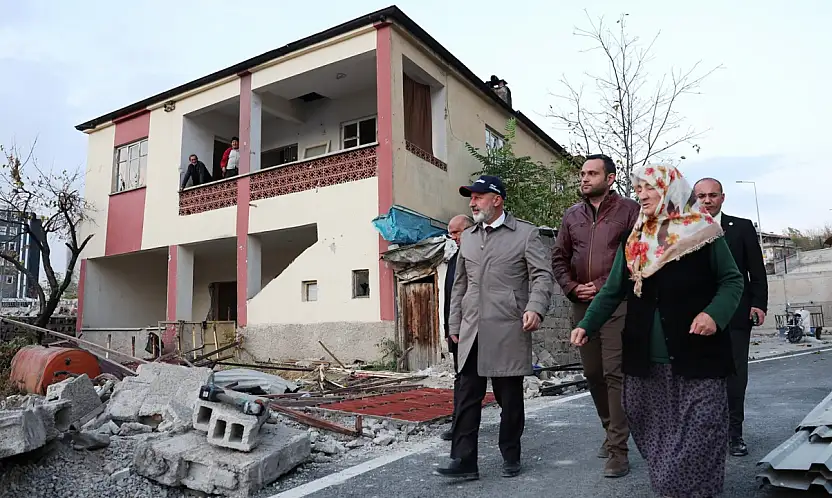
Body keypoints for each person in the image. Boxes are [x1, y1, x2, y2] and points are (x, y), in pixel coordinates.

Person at [570, 164, 744, 498]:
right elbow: (612, 290)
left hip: (698, 357)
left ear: (670, 190)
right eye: (639, 189)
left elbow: (731, 281)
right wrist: (587, 324)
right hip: (645, 364)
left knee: (702, 431)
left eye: (650, 188)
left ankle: (694, 491)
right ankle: (675, 488)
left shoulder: (702, 231)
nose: (642, 195)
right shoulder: (636, 238)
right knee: (655, 434)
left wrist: (713, 314)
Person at [436, 175, 553, 480]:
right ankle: (464, 462)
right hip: (472, 329)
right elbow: (460, 283)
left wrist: (535, 308)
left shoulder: (525, 234)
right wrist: (454, 322)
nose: (472, 202)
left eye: (478, 197)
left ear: (497, 199)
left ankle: (510, 453)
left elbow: (541, 276)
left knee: (509, 398)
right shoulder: (470, 237)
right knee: (466, 396)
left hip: (508, 327)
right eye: (470, 197)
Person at [551, 153, 640, 478]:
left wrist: (601, 285)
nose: (584, 179)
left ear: (611, 178)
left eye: (592, 173)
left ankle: (619, 450)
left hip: (616, 302)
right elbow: (558, 257)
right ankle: (610, 429)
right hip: (581, 304)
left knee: (615, 372)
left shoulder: (630, 211)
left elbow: (634, 257)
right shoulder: (571, 215)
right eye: (582, 174)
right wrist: (573, 287)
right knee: (593, 372)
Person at [694, 177, 768, 457]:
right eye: (701, 196)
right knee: (702, 377)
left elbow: (756, 270)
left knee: (735, 376)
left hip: (737, 313)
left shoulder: (742, 227)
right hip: (697, 316)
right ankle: (705, 433)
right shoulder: (684, 230)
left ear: (722, 198)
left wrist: (759, 304)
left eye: (712, 195)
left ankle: (734, 434)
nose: (707, 200)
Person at [441, 214, 475, 442]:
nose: (453, 237)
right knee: (462, 378)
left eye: (457, 232)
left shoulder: (479, 255)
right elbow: (450, 299)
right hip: (458, 332)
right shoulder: (454, 259)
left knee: (501, 382)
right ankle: (458, 425)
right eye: (451, 233)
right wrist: (449, 330)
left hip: (481, 328)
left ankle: (509, 420)